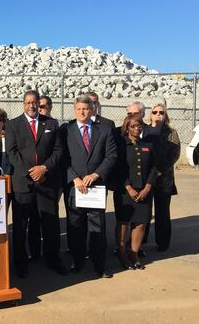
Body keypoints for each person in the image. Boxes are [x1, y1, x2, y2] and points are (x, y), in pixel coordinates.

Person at [6, 91, 67, 278]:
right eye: (28, 102)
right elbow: (12, 152)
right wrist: (31, 172)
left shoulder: (51, 123)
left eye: (35, 103)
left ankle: (53, 259)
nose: (31, 106)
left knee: (50, 224)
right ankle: (21, 262)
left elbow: (58, 151)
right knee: (20, 226)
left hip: (46, 182)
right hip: (23, 183)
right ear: (23, 104)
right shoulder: (13, 124)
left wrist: (44, 168)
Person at [61, 95, 117, 279]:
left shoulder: (104, 130)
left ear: (92, 109)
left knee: (97, 228)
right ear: (74, 110)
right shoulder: (66, 130)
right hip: (75, 188)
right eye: (79, 109)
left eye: (85, 108)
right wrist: (74, 178)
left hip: (96, 188)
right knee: (76, 227)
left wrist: (95, 174)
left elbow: (111, 157)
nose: (82, 112)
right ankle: (77, 261)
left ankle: (99, 264)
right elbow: (61, 158)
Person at [113, 115, 158, 269]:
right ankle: (122, 252)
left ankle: (134, 253)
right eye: (133, 126)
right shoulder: (121, 145)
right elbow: (118, 168)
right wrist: (128, 187)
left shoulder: (148, 144)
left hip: (144, 190)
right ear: (127, 128)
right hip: (125, 191)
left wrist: (148, 187)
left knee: (141, 223)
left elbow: (154, 167)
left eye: (139, 126)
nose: (137, 128)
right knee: (124, 222)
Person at [147, 102, 180, 252]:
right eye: (155, 112)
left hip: (163, 179)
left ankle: (163, 242)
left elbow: (174, 154)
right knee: (145, 212)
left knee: (162, 212)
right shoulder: (144, 130)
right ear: (150, 114)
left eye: (161, 112)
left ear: (165, 115)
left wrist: (160, 170)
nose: (158, 114)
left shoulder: (171, 132)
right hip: (146, 179)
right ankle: (141, 240)